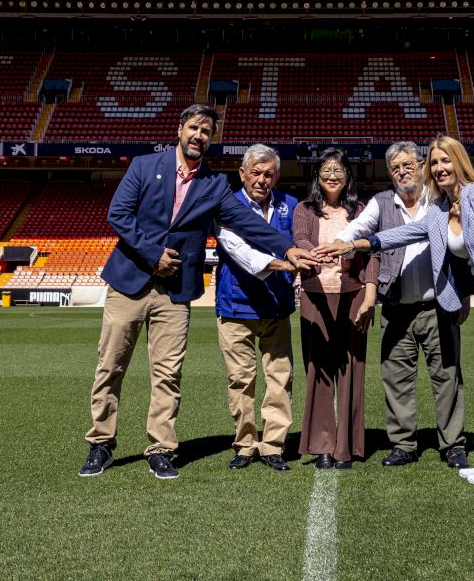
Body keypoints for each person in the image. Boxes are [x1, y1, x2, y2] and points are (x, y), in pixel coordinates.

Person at [79, 104, 317, 480]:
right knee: (111, 366)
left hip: (175, 290)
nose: (199, 136)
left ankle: (161, 448)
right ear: (180, 129)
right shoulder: (143, 166)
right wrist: (153, 254)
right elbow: (118, 215)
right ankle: (101, 443)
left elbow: (246, 222)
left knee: (167, 373)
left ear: (211, 138)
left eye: (206, 131)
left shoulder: (214, 184)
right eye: (194, 128)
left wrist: (287, 248)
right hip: (129, 283)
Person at [321, 134, 474, 486]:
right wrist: (356, 244)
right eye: (436, 162)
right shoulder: (441, 211)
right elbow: (401, 235)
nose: (440, 168)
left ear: (458, 161)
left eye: (445, 160)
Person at [334, 141, 469, 469]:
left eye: (408, 165)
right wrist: (340, 243)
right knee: (396, 378)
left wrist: (464, 296)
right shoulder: (381, 203)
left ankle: (453, 444)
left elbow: (463, 251)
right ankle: (404, 444)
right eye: (395, 168)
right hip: (395, 307)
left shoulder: (440, 199)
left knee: (447, 376)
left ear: (421, 166)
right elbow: (357, 229)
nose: (402, 172)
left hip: (438, 306)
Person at [213, 144, 298, 472]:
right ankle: (245, 445)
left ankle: (273, 445)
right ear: (242, 174)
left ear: (276, 177)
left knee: (280, 379)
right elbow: (239, 252)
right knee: (241, 380)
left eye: (269, 174)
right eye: (256, 173)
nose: (262, 180)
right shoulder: (225, 204)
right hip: (236, 307)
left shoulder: (290, 205)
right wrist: (285, 264)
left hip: (277, 307)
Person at [292, 148, 379, 469]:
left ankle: (347, 446)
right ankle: (323, 445)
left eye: (338, 170)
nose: (332, 176)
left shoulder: (361, 211)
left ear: (348, 177)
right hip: (315, 296)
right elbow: (301, 239)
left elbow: (372, 252)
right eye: (326, 170)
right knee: (318, 371)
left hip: (353, 295)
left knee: (352, 370)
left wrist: (370, 297)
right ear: (317, 176)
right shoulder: (304, 209)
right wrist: (318, 253)